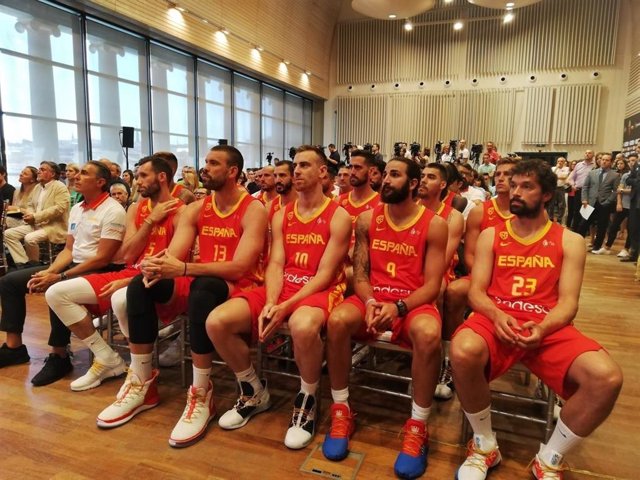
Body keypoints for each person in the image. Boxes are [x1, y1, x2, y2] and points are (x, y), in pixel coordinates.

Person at [452, 159, 622, 480]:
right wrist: (496, 314)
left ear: (546, 195)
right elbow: (476, 293)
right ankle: (485, 444)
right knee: (461, 349)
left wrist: (543, 327)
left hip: (547, 327)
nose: (515, 192)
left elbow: (568, 303)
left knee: (607, 378)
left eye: (526, 186)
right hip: (497, 320)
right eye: (513, 185)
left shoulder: (569, 241)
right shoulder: (491, 235)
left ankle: (550, 457)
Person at [96, 145, 267, 450]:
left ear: (232, 172)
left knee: (203, 290)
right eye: (205, 162)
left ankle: (202, 392)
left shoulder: (252, 208)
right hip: (202, 277)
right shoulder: (197, 208)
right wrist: (156, 266)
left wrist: (184, 267)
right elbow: (174, 256)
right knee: (141, 285)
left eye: (213, 164)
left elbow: (241, 266)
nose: (205, 168)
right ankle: (142, 382)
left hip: (241, 285)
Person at [206, 145, 350, 450]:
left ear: (323, 172)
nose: (297, 171)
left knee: (302, 324)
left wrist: (285, 306)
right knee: (217, 321)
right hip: (281, 288)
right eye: (295, 165)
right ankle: (253, 390)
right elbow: (275, 264)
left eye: (305, 166)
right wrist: (272, 301)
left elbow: (325, 274)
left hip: (319, 290)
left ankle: (307, 398)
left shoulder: (339, 216)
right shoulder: (282, 214)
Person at [322, 157, 447, 479]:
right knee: (336, 321)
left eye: (395, 175)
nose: (386, 180)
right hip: (373, 298)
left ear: (414, 183)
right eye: (386, 174)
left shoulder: (434, 224)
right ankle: (341, 409)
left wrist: (399, 307)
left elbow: (433, 285)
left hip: (412, 302)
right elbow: (360, 274)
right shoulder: (366, 220)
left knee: (430, 334)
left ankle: (418, 425)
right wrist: (373, 301)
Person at [43, 155, 183, 390]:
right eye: (136, 176)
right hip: (130, 272)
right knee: (55, 293)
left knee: (123, 299)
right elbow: (126, 256)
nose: (136, 182)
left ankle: (141, 373)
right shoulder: (137, 209)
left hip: (158, 278)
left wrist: (131, 280)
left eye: (142, 176)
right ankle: (107, 358)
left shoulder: (182, 210)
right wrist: (149, 221)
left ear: (162, 177)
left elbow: (173, 262)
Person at [0, 162, 126, 380]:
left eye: (84, 173)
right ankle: (14, 348)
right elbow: (69, 249)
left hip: (99, 270)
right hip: (73, 265)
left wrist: (58, 276)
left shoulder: (112, 209)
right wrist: (50, 270)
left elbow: (102, 258)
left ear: (100, 182)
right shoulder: (78, 208)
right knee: (9, 282)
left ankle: (59, 355)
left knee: (57, 287)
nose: (76, 176)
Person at [441, 159, 516, 400]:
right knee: (454, 292)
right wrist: (489, 279)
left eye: (508, 174)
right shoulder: (480, 211)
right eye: (499, 173)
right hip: (483, 276)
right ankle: (449, 361)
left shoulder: (529, 211)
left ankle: (554, 386)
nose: (501, 178)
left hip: (518, 281)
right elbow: (470, 255)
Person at [417, 163, 465, 401]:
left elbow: (443, 260)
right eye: (422, 176)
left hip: (438, 272)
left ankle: (444, 358)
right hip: (406, 271)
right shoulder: (407, 208)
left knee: (439, 289)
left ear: (443, 184)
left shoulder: (453, 217)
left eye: (431, 177)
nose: (424, 180)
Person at [4, 161, 69, 268]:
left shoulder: (59, 186)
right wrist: (29, 215)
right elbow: (30, 205)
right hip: (36, 223)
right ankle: (23, 263)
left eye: (43, 170)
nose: (38, 171)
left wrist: (35, 216)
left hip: (53, 226)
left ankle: (35, 265)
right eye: (39, 169)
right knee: (8, 234)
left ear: (52, 174)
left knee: (30, 238)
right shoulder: (38, 187)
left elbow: (59, 208)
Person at [580, 154, 620, 254]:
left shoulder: (615, 175)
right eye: (602, 159)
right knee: (583, 225)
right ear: (600, 161)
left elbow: (615, 191)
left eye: (607, 160)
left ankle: (597, 247)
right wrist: (584, 199)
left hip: (604, 204)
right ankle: (577, 244)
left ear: (611, 162)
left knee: (602, 226)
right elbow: (585, 187)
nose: (604, 161)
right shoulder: (592, 173)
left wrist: (608, 201)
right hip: (589, 203)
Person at [606, 153, 636, 258]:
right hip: (623, 205)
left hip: (634, 206)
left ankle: (626, 249)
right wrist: (619, 202)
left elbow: (635, 191)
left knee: (630, 228)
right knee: (614, 226)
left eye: (634, 160)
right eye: (630, 160)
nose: (632, 162)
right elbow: (619, 190)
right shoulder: (625, 175)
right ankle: (607, 247)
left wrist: (624, 190)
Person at [567, 150, 596, 231]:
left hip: (590, 192)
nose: (587, 154)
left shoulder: (595, 165)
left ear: (593, 155)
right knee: (577, 212)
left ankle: (583, 231)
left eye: (589, 153)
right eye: (586, 153)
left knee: (586, 213)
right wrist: (573, 185)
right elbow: (571, 178)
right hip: (579, 191)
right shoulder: (579, 165)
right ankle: (574, 230)